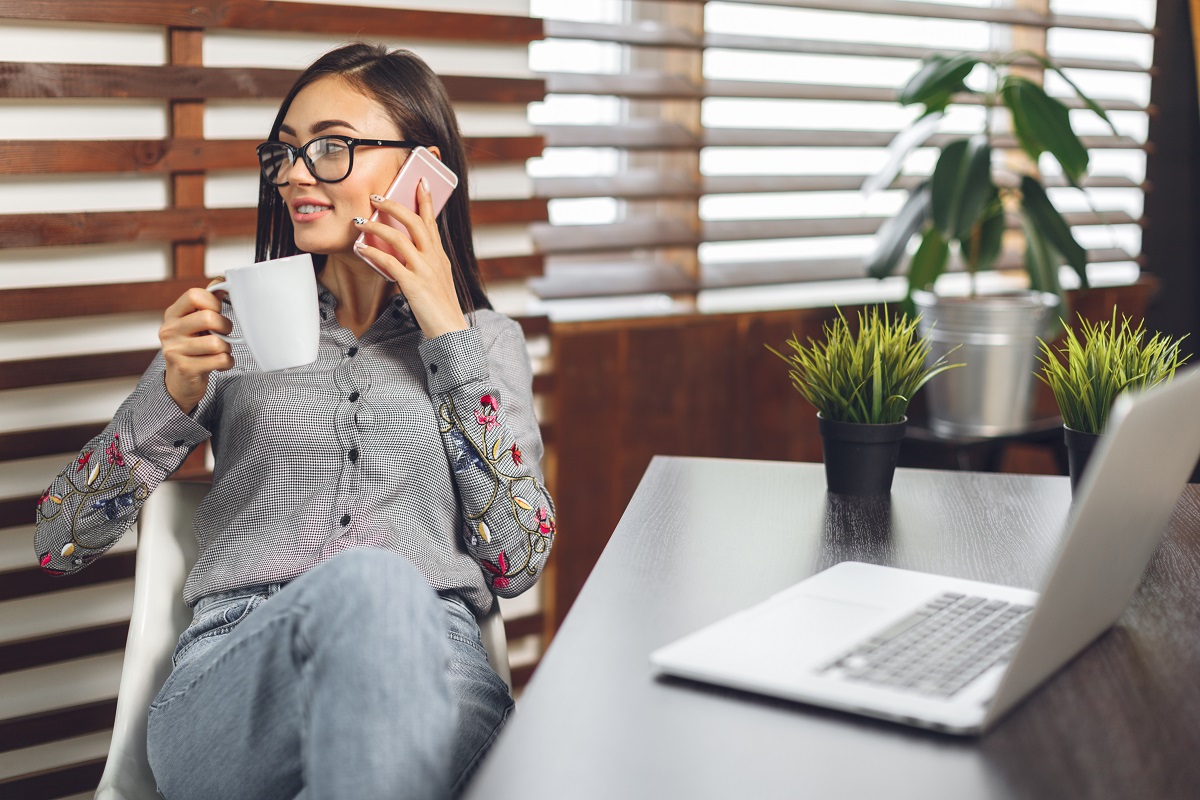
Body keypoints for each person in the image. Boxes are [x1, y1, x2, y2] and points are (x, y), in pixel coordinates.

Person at [33, 43, 555, 800]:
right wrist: (171, 398)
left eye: (332, 147)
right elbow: (58, 544)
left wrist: (450, 337)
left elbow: (517, 562)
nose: (295, 174)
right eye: (284, 153)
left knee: (378, 619)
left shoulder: (489, 344)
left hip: (436, 674)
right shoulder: (225, 329)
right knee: (369, 584)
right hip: (236, 683)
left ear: (423, 169)